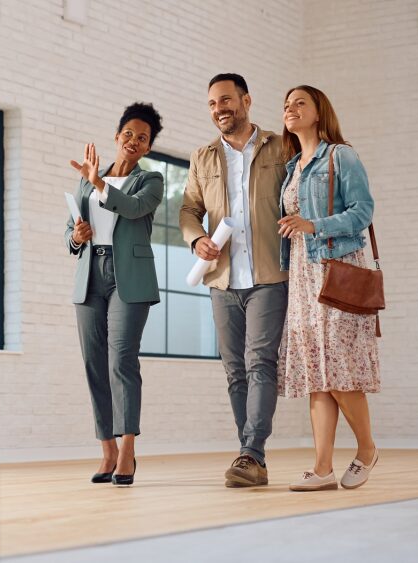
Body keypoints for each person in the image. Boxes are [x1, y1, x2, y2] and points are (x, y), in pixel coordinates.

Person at [179, 74, 288, 488]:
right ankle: (252, 457)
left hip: (268, 275)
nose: (219, 108)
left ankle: (250, 452)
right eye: (211, 103)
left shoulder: (280, 146)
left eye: (225, 100)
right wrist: (198, 239)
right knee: (234, 370)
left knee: (261, 362)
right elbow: (189, 209)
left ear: (246, 100)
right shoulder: (201, 157)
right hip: (222, 280)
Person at [276, 85, 381, 491]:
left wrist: (314, 225)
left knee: (340, 370)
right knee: (317, 374)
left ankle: (367, 449)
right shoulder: (292, 168)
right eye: (286, 104)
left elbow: (363, 211)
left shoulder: (341, 155)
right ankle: (322, 469)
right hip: (303, 277)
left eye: (299, 102)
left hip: (337, 270)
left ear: (319, 111)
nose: (291, 109)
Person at [65, 102, 164, 486]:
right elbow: (70, 230)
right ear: (116, 135)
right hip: (90, 274)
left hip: (130, 278)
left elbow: (134, 209)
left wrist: (100, 183)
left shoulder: (151, 181)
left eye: (143, 138)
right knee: (94, 363)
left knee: (121, 361)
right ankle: (106, 449)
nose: (134, 141)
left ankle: (127, 450)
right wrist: (76, 236)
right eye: (129, 134)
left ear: (148, 146)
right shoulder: (88, 179)